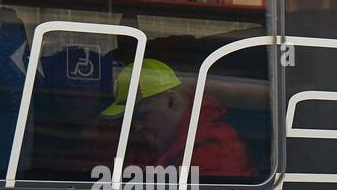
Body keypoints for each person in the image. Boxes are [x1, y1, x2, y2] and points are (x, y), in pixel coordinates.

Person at [100, 58, 255, 179]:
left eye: (141, 115)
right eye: (130, 119)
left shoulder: (210, 151)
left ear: (172, 101)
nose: (136, 127)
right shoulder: (168, 143)